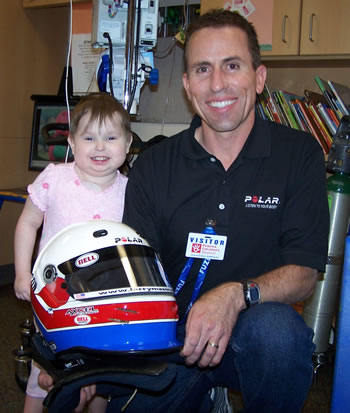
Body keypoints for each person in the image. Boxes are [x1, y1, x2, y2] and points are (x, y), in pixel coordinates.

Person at [120, 9, 330, 413]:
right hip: (171, 339)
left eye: (232, 66)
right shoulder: (152, 165)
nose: (217, 84)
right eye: (202, 69)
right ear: (187, 85)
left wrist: (235, 297)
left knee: (278, 334)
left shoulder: (299, 155)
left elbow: (304, 275)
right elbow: (134, 277)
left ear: (259, 77)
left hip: (251, 336)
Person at [14, 91, 132, 413]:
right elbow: (27, 223)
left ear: (128, 141)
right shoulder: (56, 178)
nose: (100, 146)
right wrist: (23, 272)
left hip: (105, 305)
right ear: (72, 143)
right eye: (89, 137)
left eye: (110, 137)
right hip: (54, 300)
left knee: (100, 378)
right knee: (45, 373)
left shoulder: (130, 191)